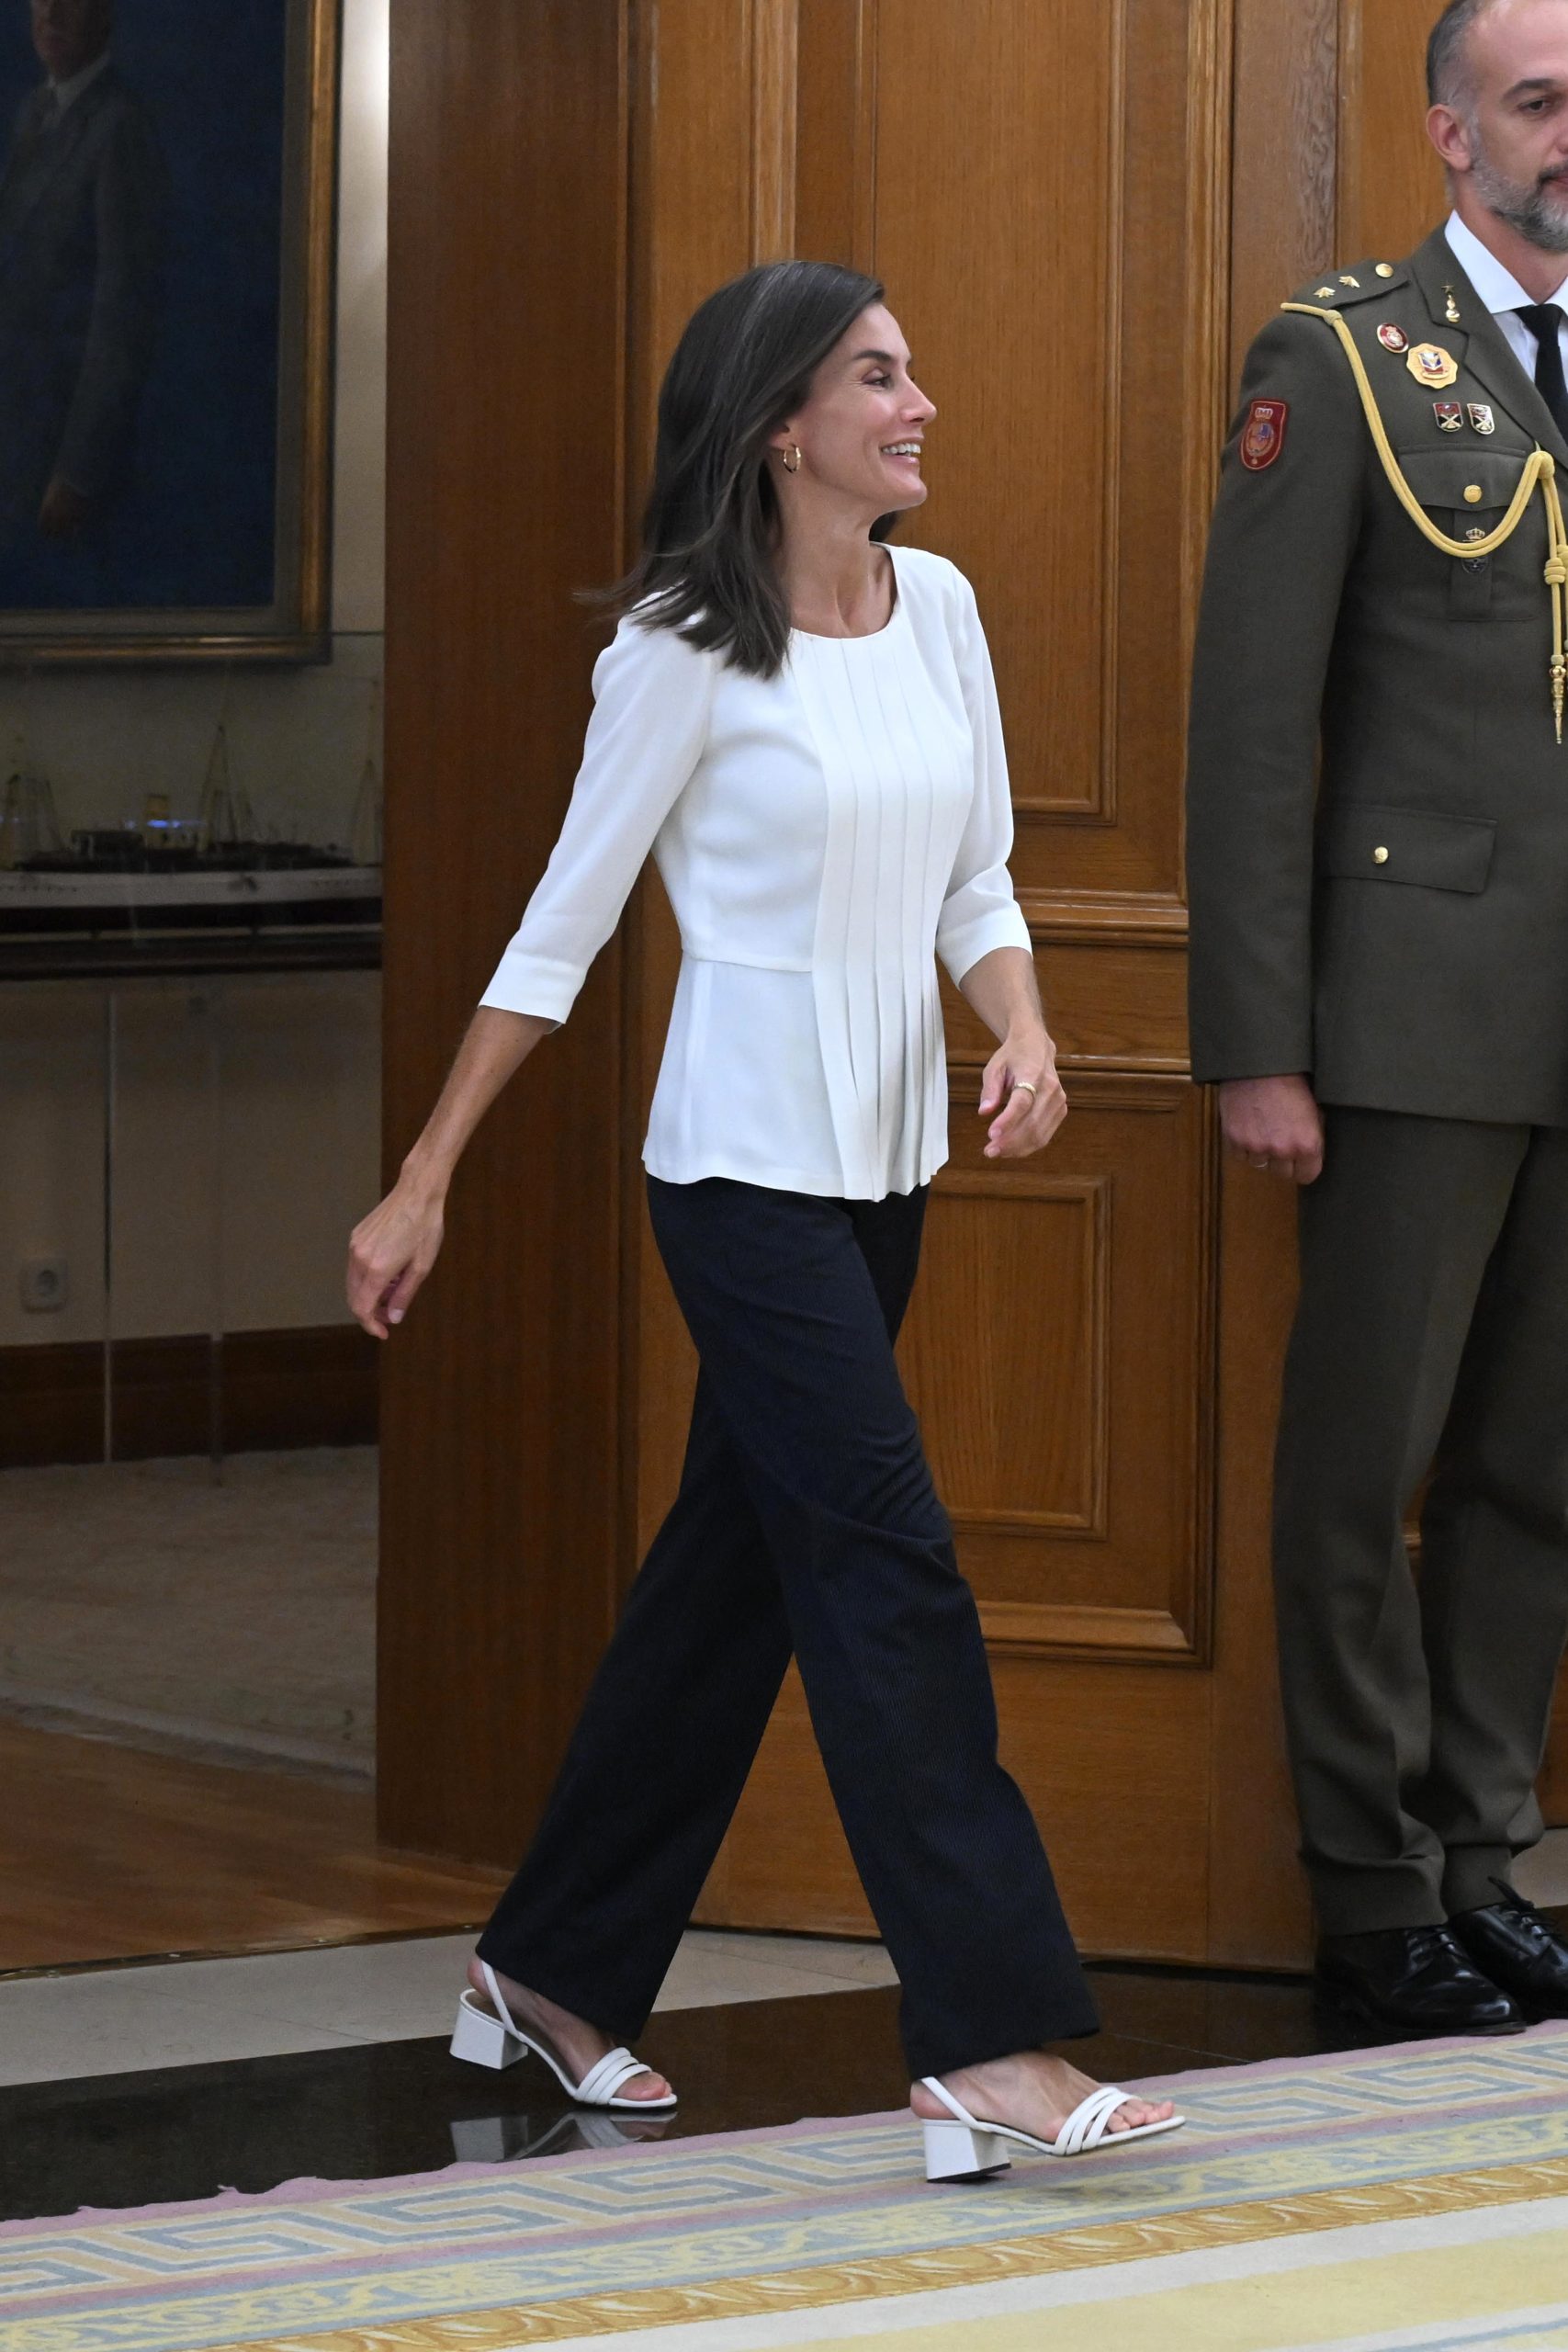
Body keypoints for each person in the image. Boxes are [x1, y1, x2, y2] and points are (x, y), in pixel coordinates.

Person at [349, 261, 1180, 2177]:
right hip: (735, 1175)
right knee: (887, 1565)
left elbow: (975, 874)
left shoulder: (942, 608)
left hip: (881, 1169)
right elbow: (561, 926)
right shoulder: (673, 647)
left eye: (912, 367)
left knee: (729, 1578)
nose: (921, 403)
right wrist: (425, 1172)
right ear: (779, 426)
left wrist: (1027, 1029)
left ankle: (546, 1968)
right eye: (879, 376)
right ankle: (987, 2038)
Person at [1187, 0, 1568, 2039]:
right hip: (1409, 1014)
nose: (1565, 132)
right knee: (1367, 1464)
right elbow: (1251, 728)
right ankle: (1363, 1886)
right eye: (1535, 99)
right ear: (1448, 132)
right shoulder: (1331, 356)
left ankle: (1477, 1852)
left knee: (1534, 1467)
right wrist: (1256, 1037)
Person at [0, 0, 164, 585]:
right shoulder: (34, 112)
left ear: (105, 14)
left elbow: (123, 316)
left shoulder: (119, 125)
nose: (51, 13)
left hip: (61, 457)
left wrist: (76, 473)